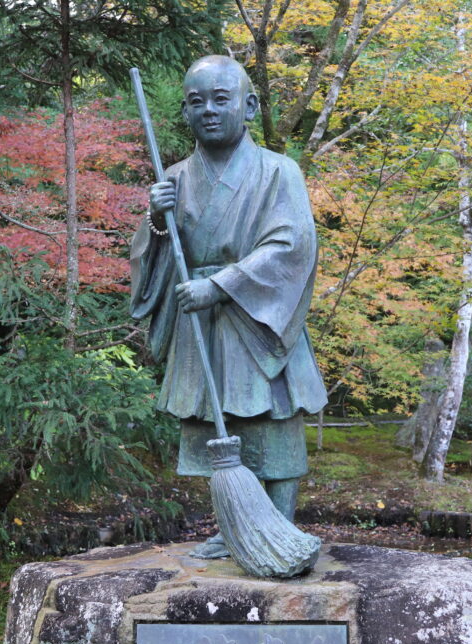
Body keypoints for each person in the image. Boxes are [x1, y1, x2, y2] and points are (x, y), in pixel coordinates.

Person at [130, 55, 327, 559]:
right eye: (197, 103)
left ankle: (278, 527)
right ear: (185, 112)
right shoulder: (174, 177)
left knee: (270, 422)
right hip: (198, 320)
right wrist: (156, 218)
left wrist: (220, 285)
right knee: (213, 429)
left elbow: (292, 246)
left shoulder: (279, 171)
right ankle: (234, 526)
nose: (210, 111)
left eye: (222, 99)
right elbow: (154, 253)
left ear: (249, 104)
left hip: (257, 313)